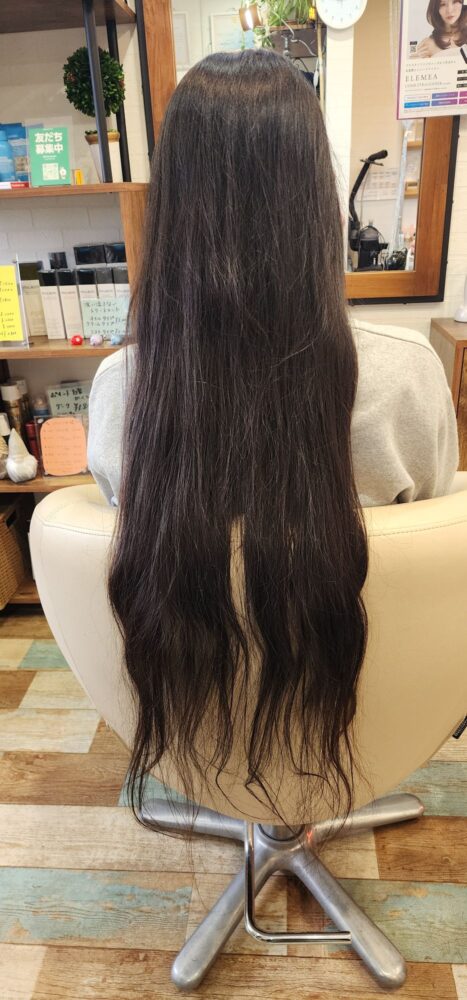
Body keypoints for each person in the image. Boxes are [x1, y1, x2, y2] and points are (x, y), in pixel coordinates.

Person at [88, 51, 458, 822]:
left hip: (196, 725)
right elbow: (435, 542)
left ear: (172, 210)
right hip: (362, 727)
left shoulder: (123, 389)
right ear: (316, 202)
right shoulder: (406, 376)